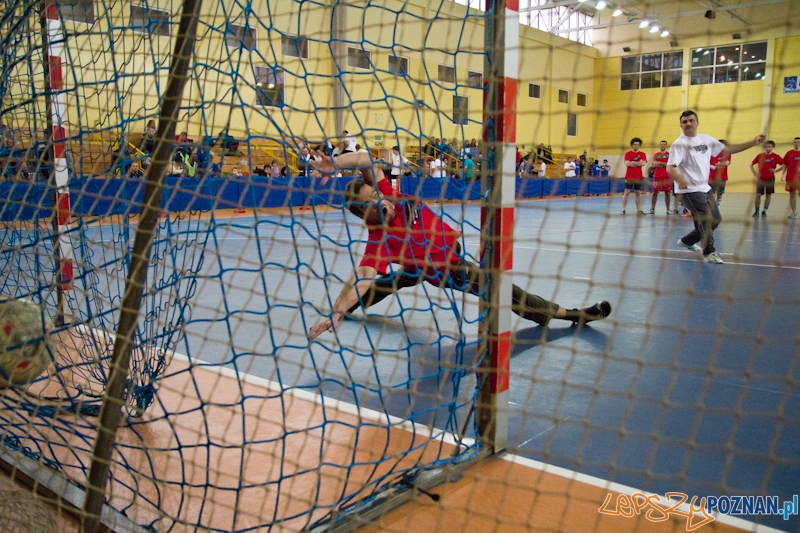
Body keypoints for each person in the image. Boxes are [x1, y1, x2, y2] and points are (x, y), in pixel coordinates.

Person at [306, 150, 612, 340]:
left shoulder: (392, 196)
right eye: (370, 202)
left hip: (427, 261)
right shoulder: (378, 241)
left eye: (376, 194)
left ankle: (551, 313)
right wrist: (335, 311)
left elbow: (365, 161)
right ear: (361, 214)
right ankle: (574, 314)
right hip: (447, 269)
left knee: (399, 278)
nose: (380, 200)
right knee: (505, 291)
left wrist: (333, 162)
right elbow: (361, 277)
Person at [667, 110, 764, 264]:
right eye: (684, 121)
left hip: (705, 188)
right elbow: (670, 167)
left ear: (697, 123)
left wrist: (753, 142)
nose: (688, 124)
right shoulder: (679, 144)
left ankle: (686, 241)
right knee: (705, 219)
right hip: (688, 191)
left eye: (691, 120)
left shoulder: (706, 139)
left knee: (716, 220)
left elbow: (729, 150)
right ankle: (709, 252)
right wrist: (680, 179)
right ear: (681, 125)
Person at [750, 140, 784, 217]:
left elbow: (784, 164)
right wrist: (755, 173)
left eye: (769, 147)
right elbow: (751, 164)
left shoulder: (776, 156)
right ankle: (756, 211)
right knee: (758, 195)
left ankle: (764, 211)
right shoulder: (760, 156)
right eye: (766, 147)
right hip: (761, 179)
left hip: (770, 179)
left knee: (768, 195)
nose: (768, 148)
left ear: (772, 147)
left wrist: (776, 170)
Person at [622, 138, 647, 215]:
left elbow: (643, 163)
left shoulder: (643, 154)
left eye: (637, 145)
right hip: (629, 176)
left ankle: (639, 210)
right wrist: (637, 163)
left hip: (638, 177)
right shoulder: (628, 154)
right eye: (634, 145)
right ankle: (623, 209)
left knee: (638, 193)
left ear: (639, 145)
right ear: (632, 145)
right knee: (627, 192)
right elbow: (627, 163)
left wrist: (632, 162)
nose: (636, 146)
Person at [650, 141, 673, 214]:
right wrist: (664, 164)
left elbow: (670, 165)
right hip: (657, 176)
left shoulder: (669, 155)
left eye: (664, 145)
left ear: (666, 146)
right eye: (661, 144)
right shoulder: (656, 154)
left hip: (666, 175)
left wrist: (660, 163)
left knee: (667, 192)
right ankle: (652, 208)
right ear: (659, 146)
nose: (662, 146)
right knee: (654, 192)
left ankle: (668, 209)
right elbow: (654, 165)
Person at [781, 137, 800, 219]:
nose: (796, 143)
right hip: (790, 177)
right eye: (795, 142)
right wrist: (782, 174)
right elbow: (785, 164)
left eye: (798, 142)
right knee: (792, 195)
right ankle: (794, 212)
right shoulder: (789, 153)